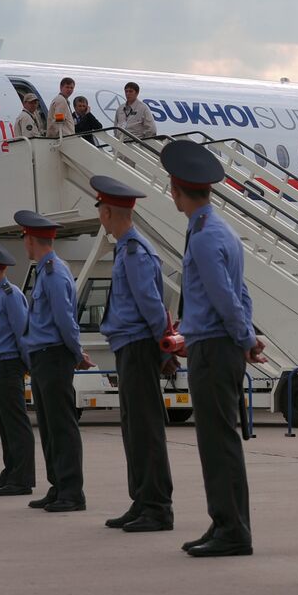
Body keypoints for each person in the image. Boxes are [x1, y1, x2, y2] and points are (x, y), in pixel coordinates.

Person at [161, 140, 266, 557]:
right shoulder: (217, 230)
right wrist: (248, 337)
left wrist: (244, 339)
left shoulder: (204, 237)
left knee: (217, 441)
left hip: (213, 348)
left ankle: (232, 530)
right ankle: (225, 523)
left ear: (175, 188)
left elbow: (224, 298)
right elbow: (240, 293)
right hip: (222, 345)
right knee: (220, 439)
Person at [91, 175, 175, 533]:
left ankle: (157, 507)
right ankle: (141, 500)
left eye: (99, 209)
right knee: (133, 428)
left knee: (145, 428)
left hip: (140, 347)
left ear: (107, 212)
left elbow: (152, 305)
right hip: (129, 346)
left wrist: (164, 346)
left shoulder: (135, 251)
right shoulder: (127, 248)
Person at [16, 210, 93, 512]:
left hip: (54, 357)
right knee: (48, 426)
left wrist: (76, 354)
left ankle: (72, 491)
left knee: (61, 426)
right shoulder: (44, 271)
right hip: (43, 357)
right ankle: (58, 485)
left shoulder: (54, 273)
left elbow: (65, 320)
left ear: (31, 240)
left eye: (24, 238)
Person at [0, 238, 37, 497]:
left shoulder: (11, 296)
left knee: (15, 424)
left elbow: (22, 333)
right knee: (4, 423)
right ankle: (10, 473)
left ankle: (22, 479)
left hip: (9, 365)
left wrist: (27, 366)